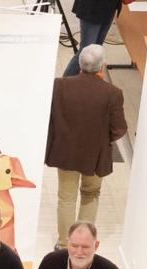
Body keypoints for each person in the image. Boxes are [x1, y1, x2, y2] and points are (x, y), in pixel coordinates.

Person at [48, 44, 128, 244]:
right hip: (95, 155)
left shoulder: (58, 86)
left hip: (65, 152)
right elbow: (119, 128)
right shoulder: (112, 93)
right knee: (90, 193)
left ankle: (65, 243)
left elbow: (50, 118)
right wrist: (101, 139)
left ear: (80, 64)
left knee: (66, 198)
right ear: (102, 67)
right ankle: (83, 241)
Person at [63, 2, 123, 77]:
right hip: (92, 9)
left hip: (109, 9)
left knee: (96, 51)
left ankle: (88, 83)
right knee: (86, 53)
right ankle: (64, 83)